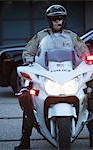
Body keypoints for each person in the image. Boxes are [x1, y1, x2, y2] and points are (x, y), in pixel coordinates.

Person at [14, 4, 90, 150]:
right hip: (47, 73)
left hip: (69, 73)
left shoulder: (72, 36)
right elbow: (28, 52)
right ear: (50, 20)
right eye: (55, 19)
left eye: (61, 18)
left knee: (90, 93)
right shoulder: (40, 36)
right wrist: (29, 60)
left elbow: (83, 51)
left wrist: (86, 59)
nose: (58, 21)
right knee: (26, 97)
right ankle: (25, 141)